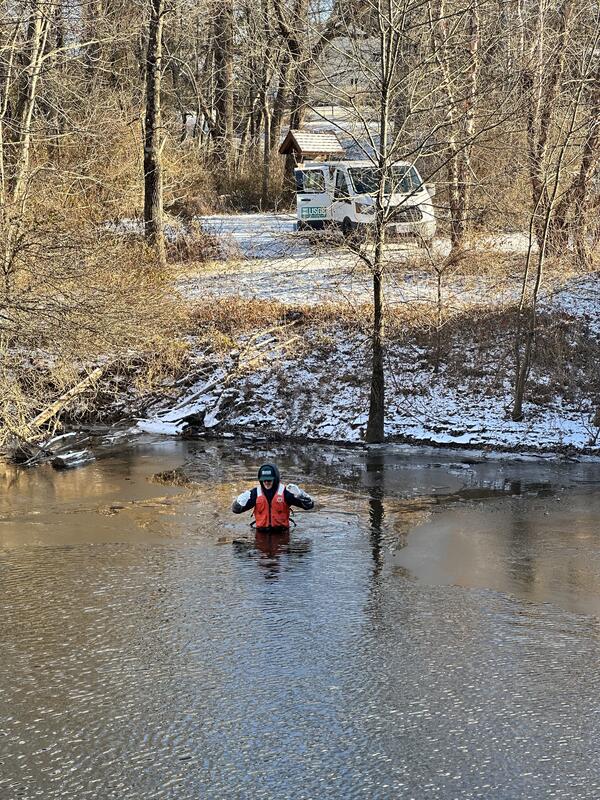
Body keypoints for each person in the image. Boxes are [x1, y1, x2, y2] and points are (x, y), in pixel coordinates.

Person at [232, 463, 314, 531]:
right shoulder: (254, 493)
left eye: (269, 480)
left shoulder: (286, 492)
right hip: (260, 534)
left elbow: (309, 506)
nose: (266, 482)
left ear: (275, 479)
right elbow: (236, 511)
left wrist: (300, 495)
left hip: (282, 534)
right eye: (264, 480)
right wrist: (239, 502)